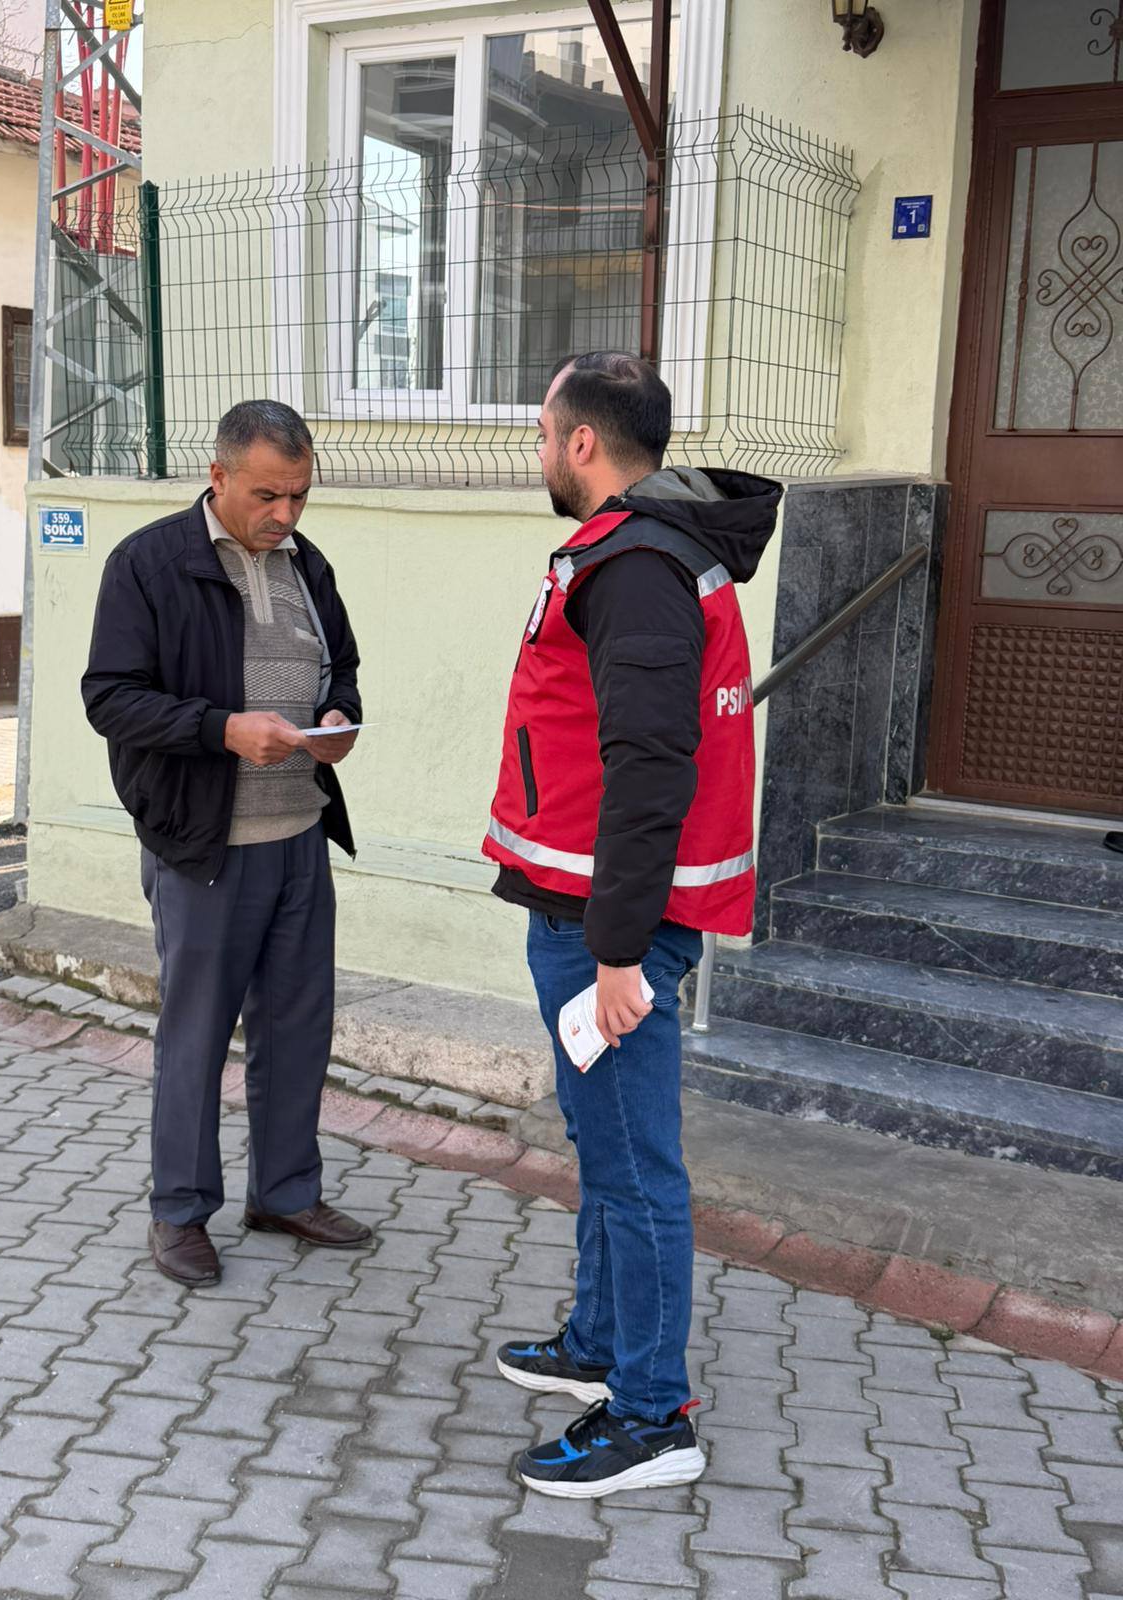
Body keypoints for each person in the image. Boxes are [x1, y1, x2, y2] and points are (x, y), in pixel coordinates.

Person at [484, 353, 782, 1497]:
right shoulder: (649, 551)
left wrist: (616, 952)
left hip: (613, 924)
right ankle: (601, 1343)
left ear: (579, 443)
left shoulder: (639, 562)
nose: (539, 452)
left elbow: (651, 762)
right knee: (605, 1151)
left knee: (636, 1165)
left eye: (542, 433)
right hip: (593, 907)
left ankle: (653, 1414)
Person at [82, 399, 370, 1288]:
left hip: (298, 836)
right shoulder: (148, 565)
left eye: (298, 496)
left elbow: (345, 667)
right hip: (204, 844)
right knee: (197, 1034)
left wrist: (337, 717)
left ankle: (283, 1192)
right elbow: (110, 697)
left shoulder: (307, 564)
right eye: (267, 495)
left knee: (296, 1028)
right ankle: (179, 1212)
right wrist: (220, 730)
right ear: (218, 477)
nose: (284, 514)